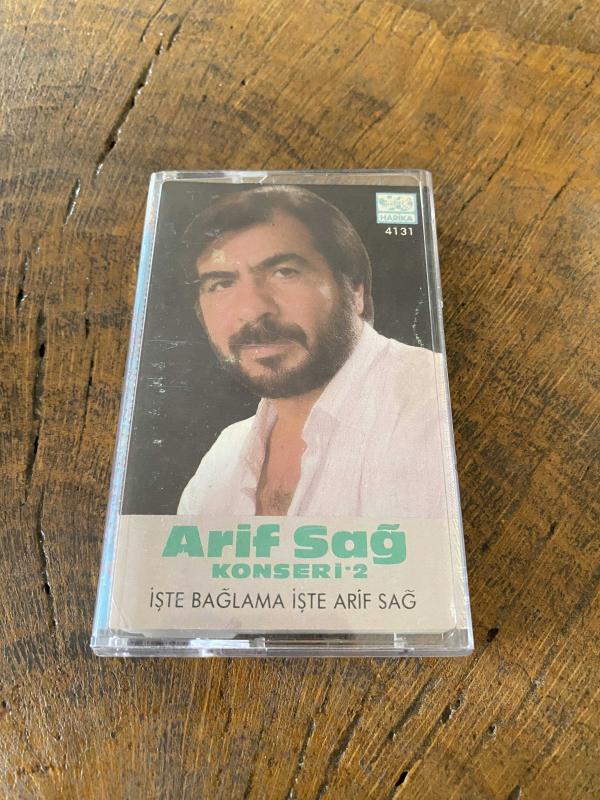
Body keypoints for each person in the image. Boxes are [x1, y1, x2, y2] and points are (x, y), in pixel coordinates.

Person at [177, 185, 451, 518]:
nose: (252, 310)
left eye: (284, 272)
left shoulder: (432, 405)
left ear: (356, 291)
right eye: (221, 284)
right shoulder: (223, 456)